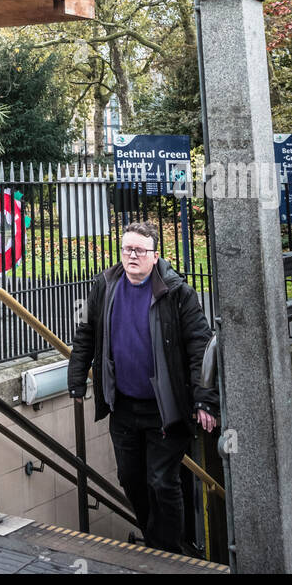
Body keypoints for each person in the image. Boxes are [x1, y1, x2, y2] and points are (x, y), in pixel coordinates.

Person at [67, 220, 218, 554]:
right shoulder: (105, 285)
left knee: (162, 481)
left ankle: (169, 553)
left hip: (166, 409)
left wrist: (205, 400)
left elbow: (200, 345)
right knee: (131, 480)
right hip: (123, 407)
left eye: (139, 250)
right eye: (126, 249)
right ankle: (158, 542)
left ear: (155, 255)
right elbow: (86, 334)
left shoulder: (177, 292)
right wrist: (76, 378)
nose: (131, 255)